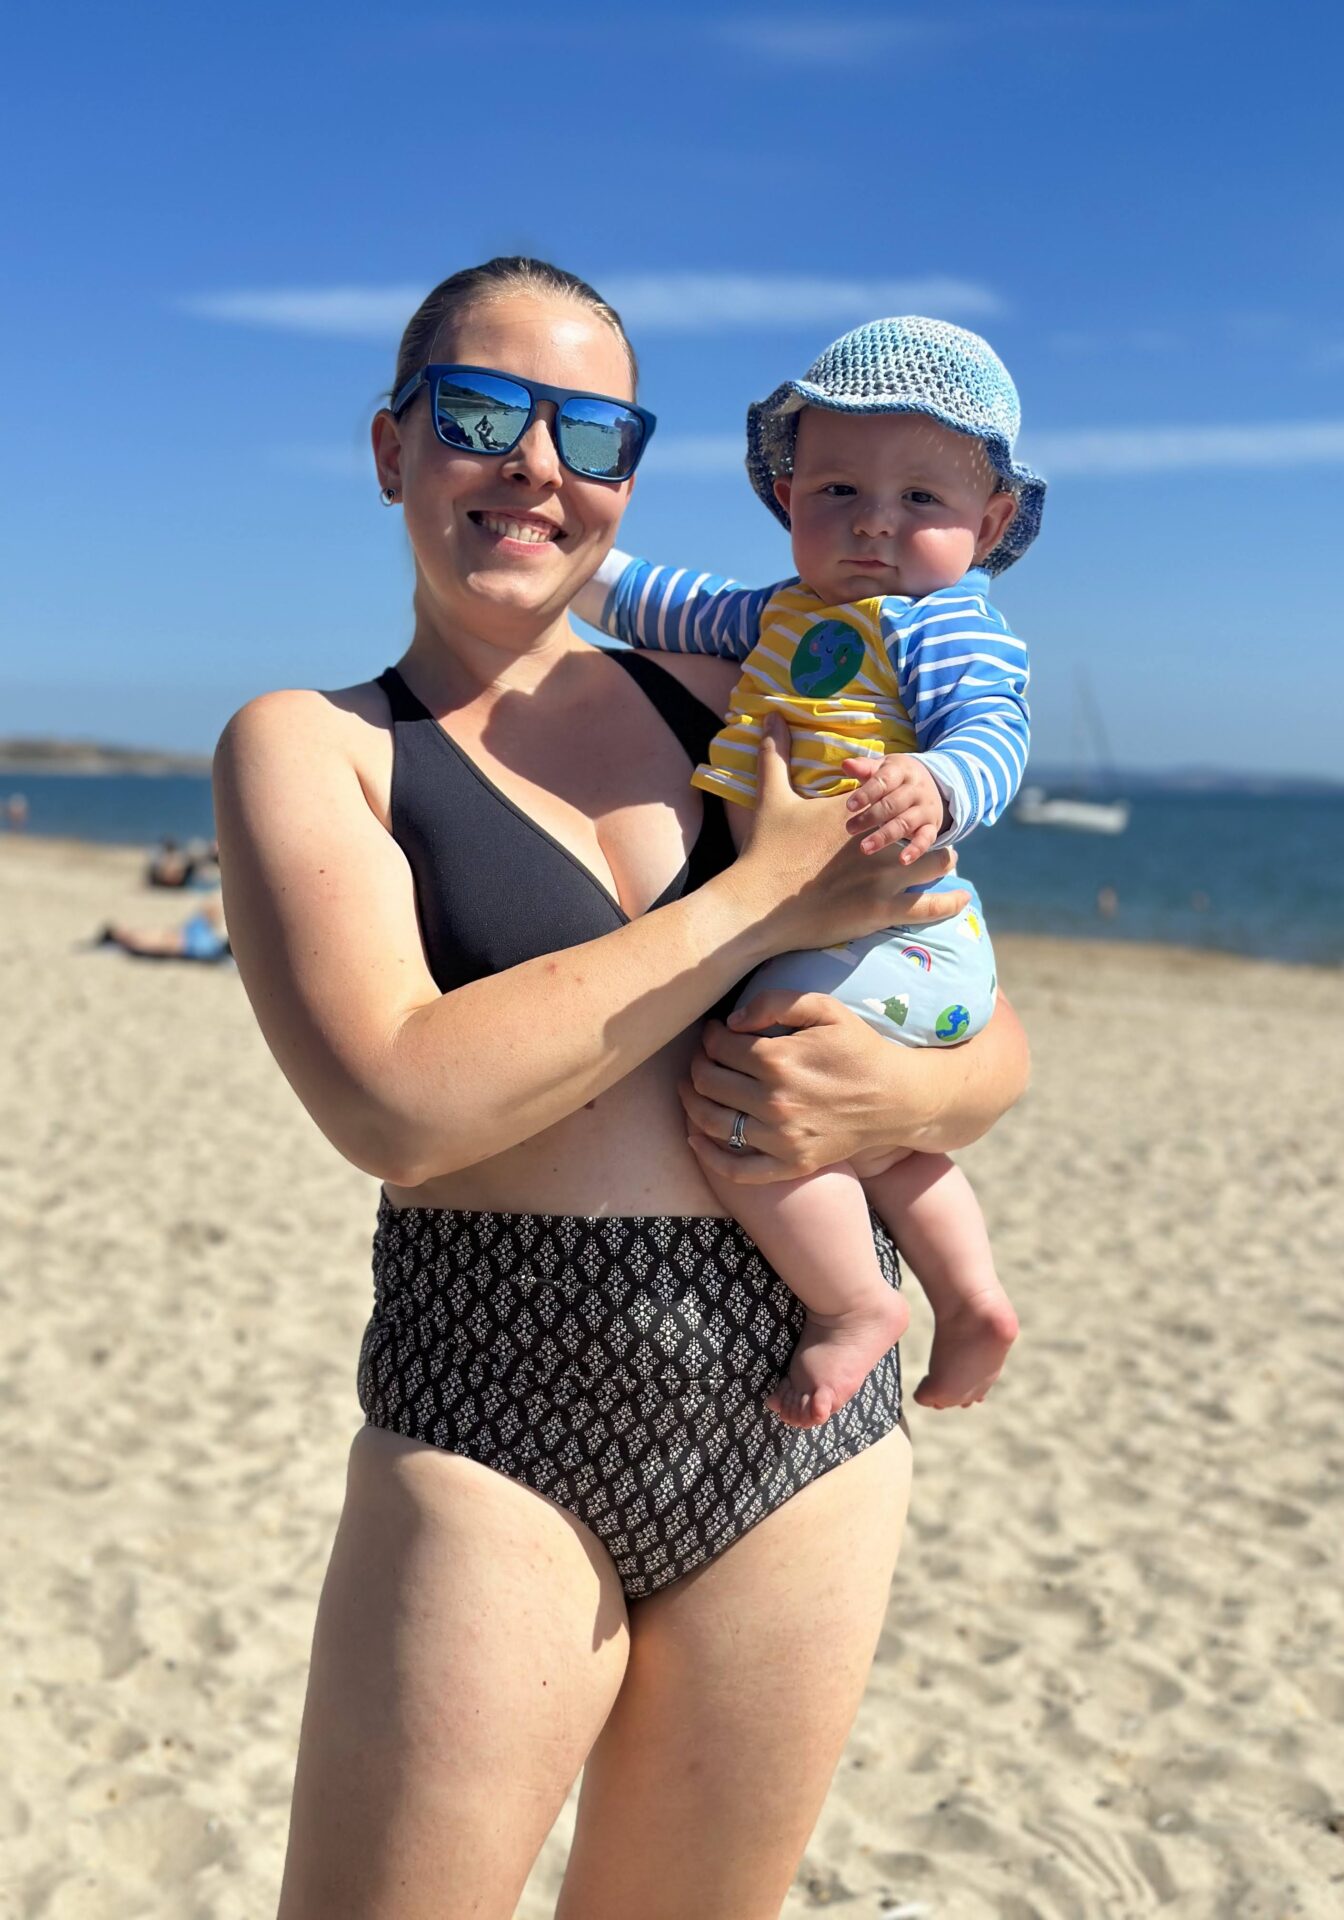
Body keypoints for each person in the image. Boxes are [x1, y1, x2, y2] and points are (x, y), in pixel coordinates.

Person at [212, 256, 1030, 1920]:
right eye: (480, 412)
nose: (534, 461)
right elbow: (395, 1102)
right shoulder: (319, 744)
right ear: (391, 450)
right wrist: (753, 900)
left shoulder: (752, 691)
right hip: (497, 1415)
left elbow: (983, 1029)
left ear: (628, 478)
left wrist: (888, 1093)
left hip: (806, 1429)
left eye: (586, 426)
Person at [577, 317, 1042, 1427]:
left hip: (903, 934)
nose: (875, 524)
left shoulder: (943, 622)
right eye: (838, 491)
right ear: (789, 500)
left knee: (754, 1081)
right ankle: (970, 1293)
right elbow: (657, 603)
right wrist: (571, 555)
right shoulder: (778, 613)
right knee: (872, 1137)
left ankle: (852, 1305)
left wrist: (939, 782)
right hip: (853, 938)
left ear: (992, 521)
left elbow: (995, 730)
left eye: (922, 503)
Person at [95, 899, 230, 960]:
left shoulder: (134, 936)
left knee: (210, 907)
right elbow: (163, 948)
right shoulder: (134, 942)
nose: (122, 928)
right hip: (191, 944)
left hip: (186, 934)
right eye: (118, 931)